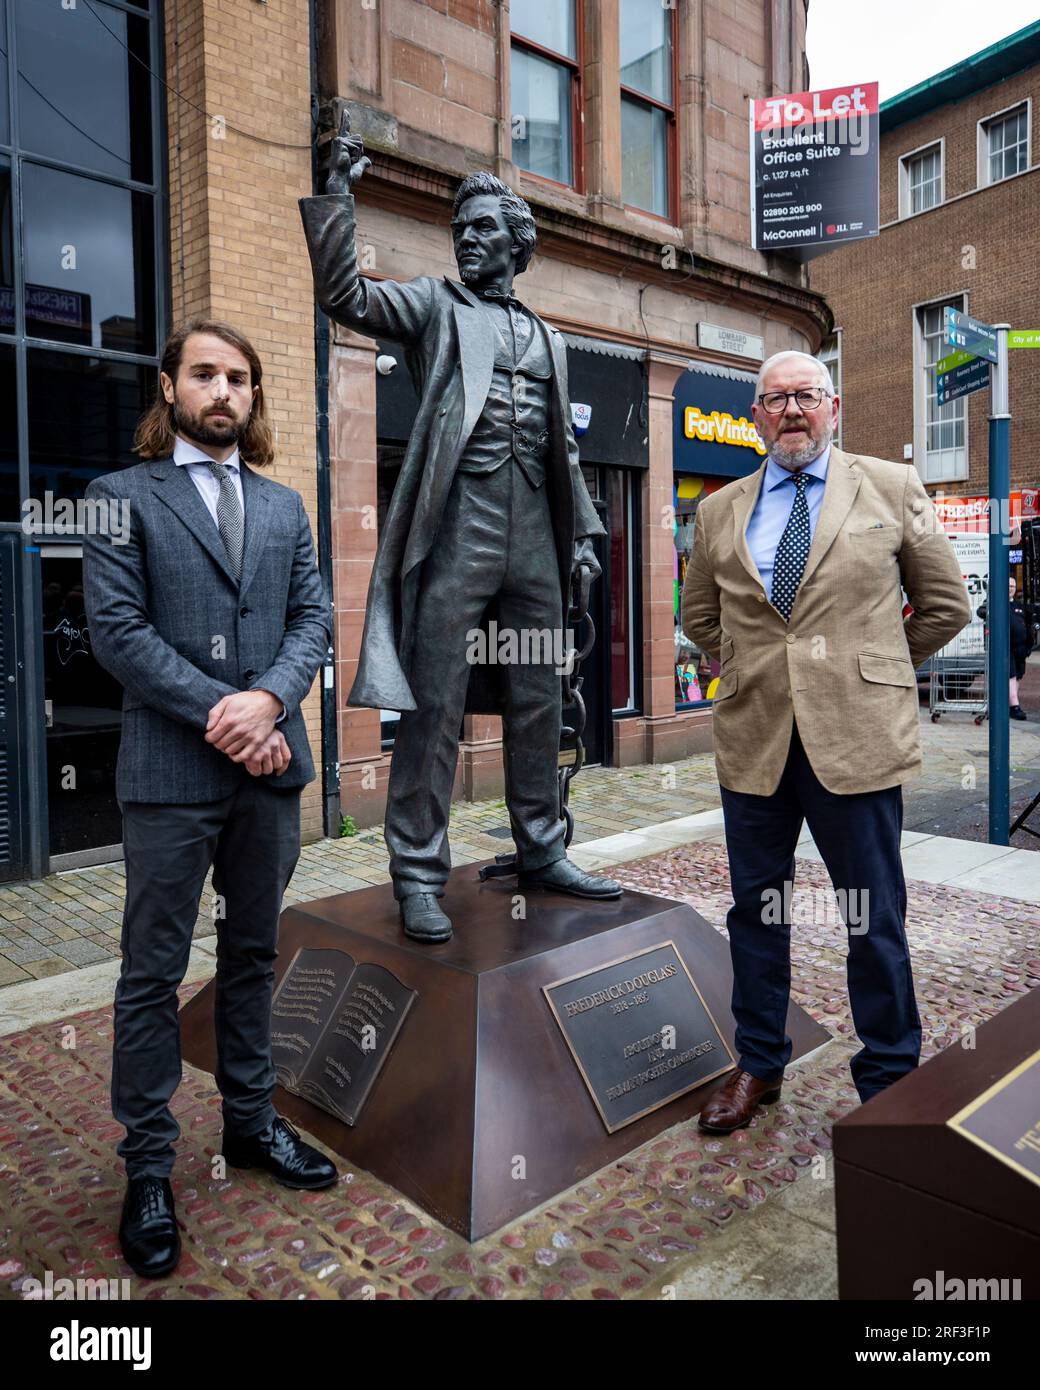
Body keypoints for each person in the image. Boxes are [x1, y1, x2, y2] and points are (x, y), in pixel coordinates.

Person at [299, 111, 620, 943]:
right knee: (435, 707)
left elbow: (564, 450)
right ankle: (416, 871)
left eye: (481, 230)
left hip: (536, 541)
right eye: (458, 231)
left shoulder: (547, 334)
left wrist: (581, 531)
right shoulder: (435, 307)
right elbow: (346, 295)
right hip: (460, 527)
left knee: (538, 699)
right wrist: (337, 193)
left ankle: (542, 849)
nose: (465, 243)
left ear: (517, 242)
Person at [83, 320, 336, 1279]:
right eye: (204, 375)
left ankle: (249, 1123)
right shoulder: (117, 499)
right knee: (152, 971)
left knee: (253, 953)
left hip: (269, 770)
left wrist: (269, 698)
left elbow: (312, 616)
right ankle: (148, 1166)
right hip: (170, 774)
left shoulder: (283, 507)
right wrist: (227, 711)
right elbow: (116, 632)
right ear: (170, 387)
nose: (221, 391)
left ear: (255, 395)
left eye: (238, 378)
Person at [681, 350, 971, 1131]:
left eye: (805, 396)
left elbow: (943, 605)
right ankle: (759, 1068)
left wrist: (870, 669)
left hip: (856, 740)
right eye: (775, 401)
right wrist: (749, 670)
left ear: (834, 406)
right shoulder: (720, 510)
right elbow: (698, 619)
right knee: (757, 912)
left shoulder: (889, 486)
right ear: (756, 418)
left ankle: (889, 1079)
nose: (792, 412)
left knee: (871, 915)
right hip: (756, 740)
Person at [978, 576, 1032, 720]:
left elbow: (1027, 624)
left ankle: (1009, 704)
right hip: (1004, 648)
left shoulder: (1019, 606)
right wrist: (989, 611)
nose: (1010, 589)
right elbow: (981, 611)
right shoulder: (995, 602)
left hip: (1020, 648)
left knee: (1017, 677)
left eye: (1013, 586)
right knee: (1011, 676)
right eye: (1008, 586)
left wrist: (1028, 645)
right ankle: (1015, 706)